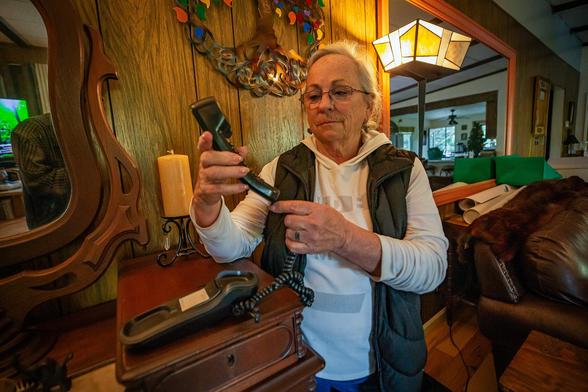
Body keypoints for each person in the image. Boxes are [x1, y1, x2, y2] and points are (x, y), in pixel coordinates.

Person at [190, 41, 448, 391]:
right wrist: (207, 204)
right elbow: (229, 247)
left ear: (369, 104)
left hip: (382, 364)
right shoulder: (280, 168)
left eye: (340, 92)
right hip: (296, 358)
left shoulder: (405, 170)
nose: (325, 104)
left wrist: (344, 238)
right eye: (313, 96)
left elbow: (432, 269)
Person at [11, 113, 70, 229]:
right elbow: (39, 184)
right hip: (50, 224)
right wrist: (91, 169)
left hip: (85, 216)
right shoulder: (29, 131)